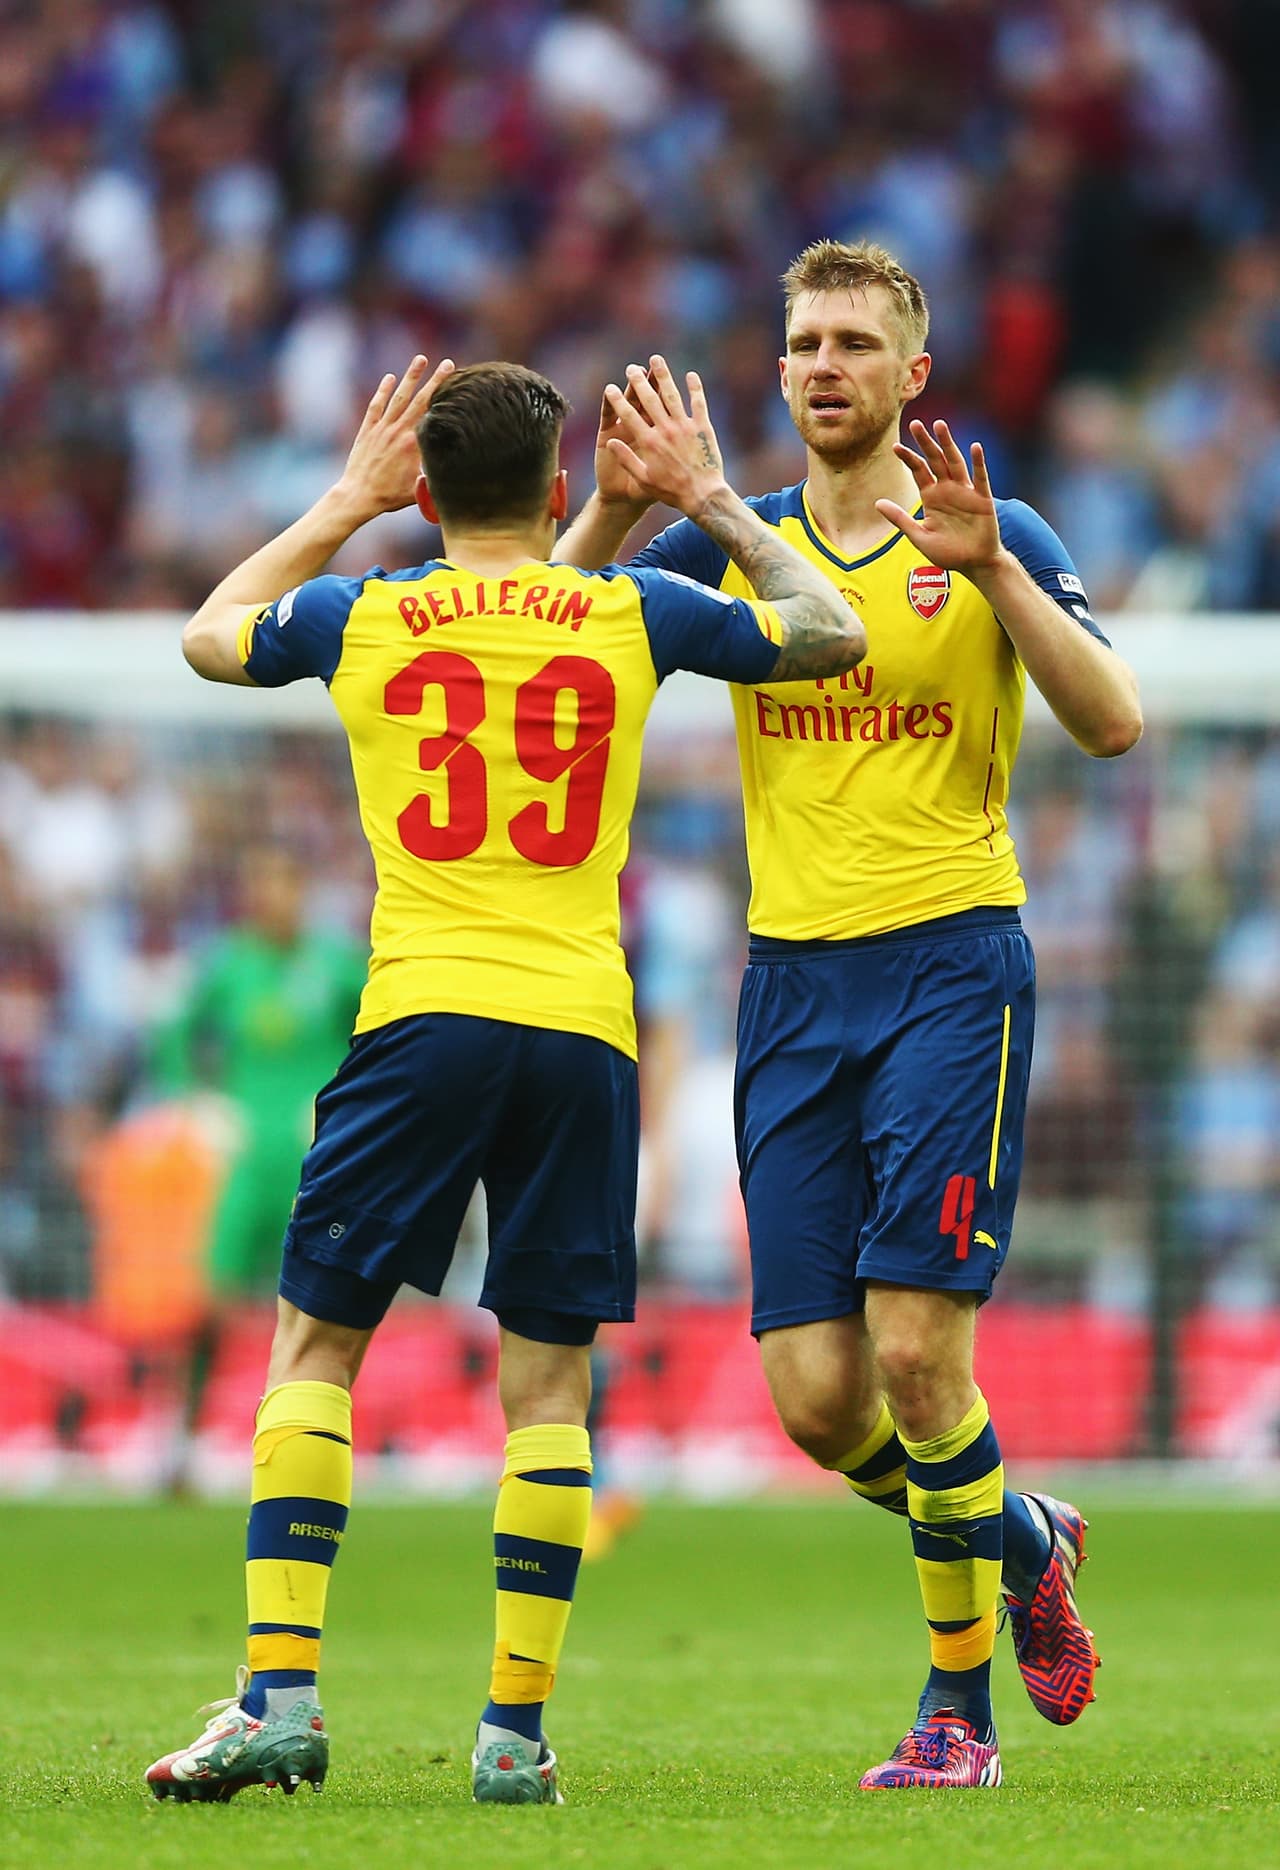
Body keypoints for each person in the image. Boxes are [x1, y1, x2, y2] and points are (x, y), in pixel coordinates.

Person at [142, 353, 865, 1806]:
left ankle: (280, 1694)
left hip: (423, 1014)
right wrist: (704, 496)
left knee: (317, 1351)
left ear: (420, 488)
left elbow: (209, 634)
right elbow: (831, 633)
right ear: (555, 489)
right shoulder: (632, 610)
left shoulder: (368, 611)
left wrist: (341, 505)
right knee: (548, 1386)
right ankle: (514, 1733)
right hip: (582, 1031)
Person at [558, 238, 1144, 1789]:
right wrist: (619, 502)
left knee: (920, 1353)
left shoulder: (988, 526)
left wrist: (1001, 569)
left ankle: (958, 1715)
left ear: (912, 374)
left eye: (852, 344)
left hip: (952, 966)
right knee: (819, 1403)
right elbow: (536, 636)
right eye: (801, 343)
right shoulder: (727, 546)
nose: (822, 366)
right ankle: (1020, 1529)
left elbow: (1114, 720)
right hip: (794, 985)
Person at [152, 843, 366, 1482]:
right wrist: (200, 1100)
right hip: (246, 1162)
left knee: (320, 1306)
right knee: (212, 1300)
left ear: (303, 891)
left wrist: (345, 1102)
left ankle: (316, 1446)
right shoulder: (230, 965)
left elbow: (384, 1035)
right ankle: (182, 1442)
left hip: (318, 1158)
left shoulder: (337, 964)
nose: (274, 900)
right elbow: (173, 1035)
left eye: (285, 885)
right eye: (262, 887)